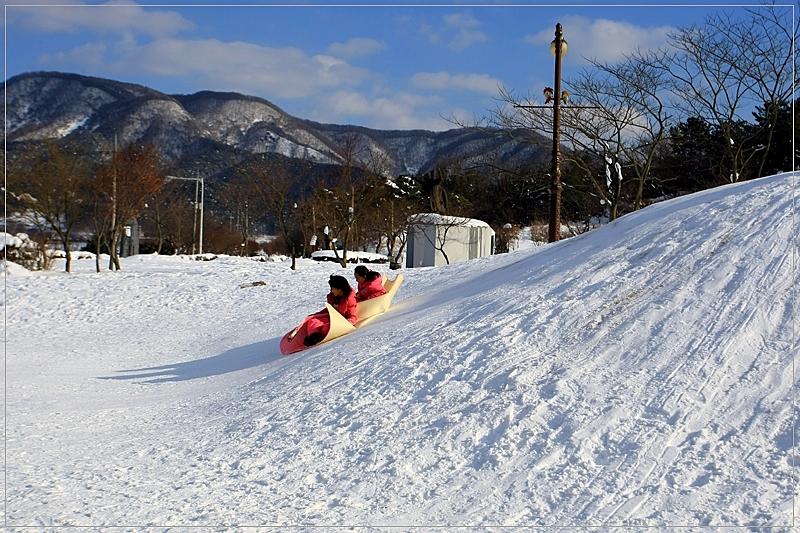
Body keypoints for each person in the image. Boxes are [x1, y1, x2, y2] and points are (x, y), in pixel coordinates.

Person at [292, 275, 358, 347]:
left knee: (326, 327)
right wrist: (315, 315)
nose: (331, 290)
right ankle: (314, 336)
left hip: (341, 321)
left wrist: (347, 323)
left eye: (332, 288)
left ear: (339, 289)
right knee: (314, 321)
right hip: (332, 317)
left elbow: (353, 315)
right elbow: (329, 310)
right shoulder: (333, 297)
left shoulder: (349, 300)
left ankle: (319, 336)